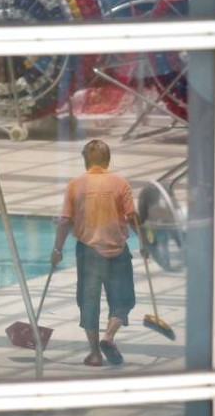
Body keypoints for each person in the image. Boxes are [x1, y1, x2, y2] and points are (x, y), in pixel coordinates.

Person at [51, 139, 147, 366]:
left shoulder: (75, 185)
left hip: (88, 252)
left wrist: (57, 249)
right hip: (117, 250)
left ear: (86, 161)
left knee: (88, 301)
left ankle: (95, 354)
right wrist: (144, 242)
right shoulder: (120, 183)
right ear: (108, 160)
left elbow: (65, 221)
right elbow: (132, 216)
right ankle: (109, 336)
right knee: (123, 299)